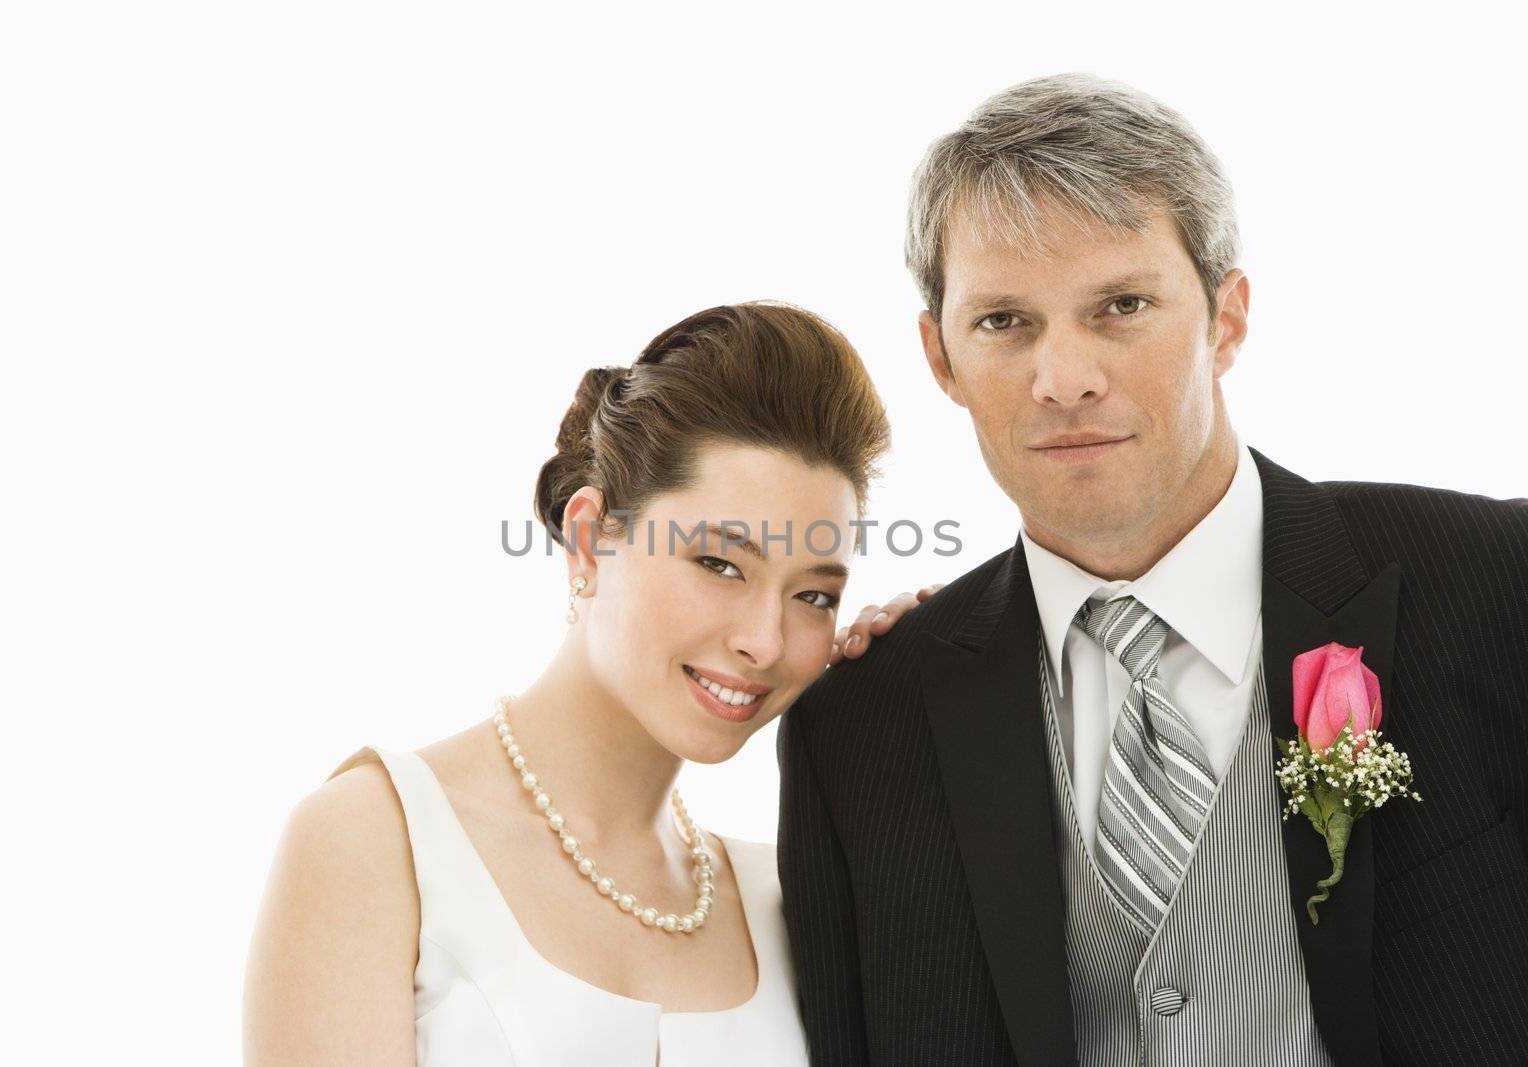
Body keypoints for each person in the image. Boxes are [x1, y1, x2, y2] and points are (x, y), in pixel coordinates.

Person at [777, 72, 1528, 1065]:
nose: (1064, 379)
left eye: (1121, 304)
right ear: (940, 358)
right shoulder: (858, 723)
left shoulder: (1496, 584)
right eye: (1004, 321)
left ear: (1226, 318)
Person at [242, 302, 937, 1066]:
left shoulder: (784, 897)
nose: (763, 641)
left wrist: (931, 692)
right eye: (718, 563)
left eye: (813, 595)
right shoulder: (377, 842)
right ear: (588, 539)